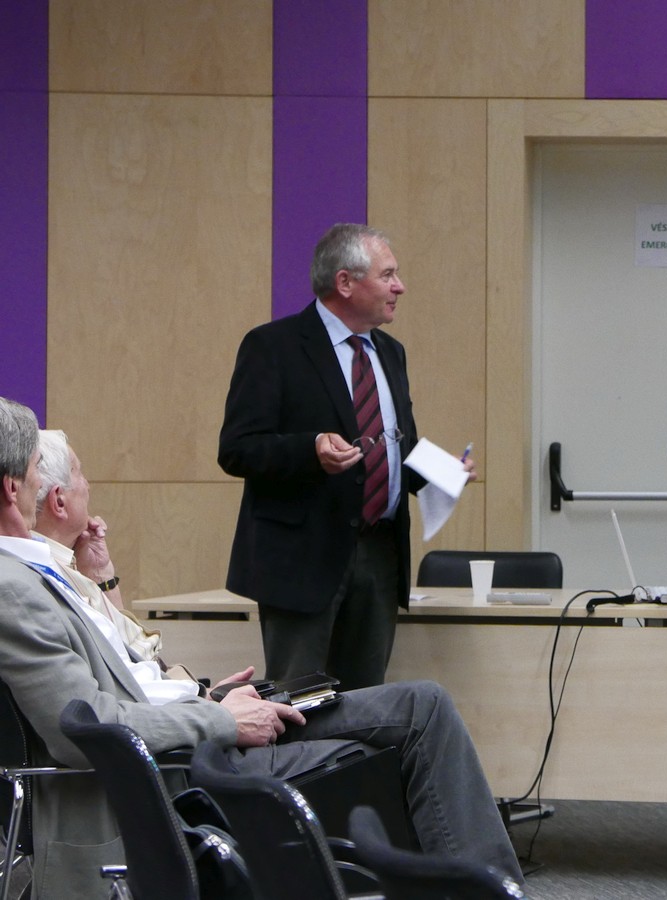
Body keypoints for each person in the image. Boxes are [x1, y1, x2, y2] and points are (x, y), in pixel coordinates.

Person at [0, 397, 520, 900]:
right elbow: (85, 728)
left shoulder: (42, 565)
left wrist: (207, 696)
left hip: (197, 724)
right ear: (12, 486)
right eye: (34, 470)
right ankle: (491, 890)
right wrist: (220, 718)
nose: (43, 483)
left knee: (421, 705)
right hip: (184, 768)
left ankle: (486, 888)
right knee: (411, 729)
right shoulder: (14, 585)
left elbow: (128, 673)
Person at [219, 223, 473, 690]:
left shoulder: (390, 352)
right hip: (303, 559)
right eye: (388, 275)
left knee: (366, 704)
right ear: (345, 282)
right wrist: (310, 448)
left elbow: (396, 444)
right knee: (299, 701)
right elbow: (237, 448)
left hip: (379, 556)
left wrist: (441, 472)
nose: (400, 287)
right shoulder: (274, 346)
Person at [33, 429, 165, 665]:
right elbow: (132, 661)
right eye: (79, 473)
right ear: (59, 501)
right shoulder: (45, 574)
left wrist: (101, 576)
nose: (88, 485)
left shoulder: (68, 563)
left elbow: (133, 649)